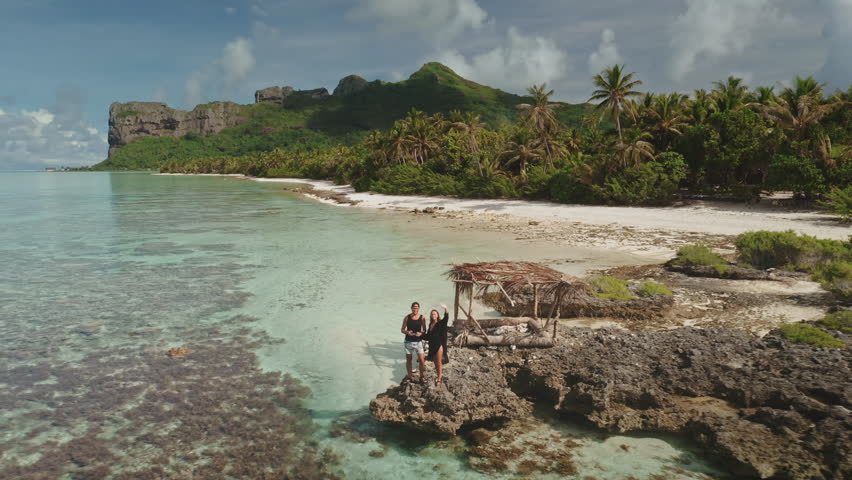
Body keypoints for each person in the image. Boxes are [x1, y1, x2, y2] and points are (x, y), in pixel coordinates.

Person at [401, 301, 427, 384]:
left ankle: (422, 376)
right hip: (408, 342)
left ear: (419, 308)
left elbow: (424, 330)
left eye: (417, 307)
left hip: (418, 342)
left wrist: (421, 333)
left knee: (422, 360)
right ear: (411, 308)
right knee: (409, 360)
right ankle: (409, 377)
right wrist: (407, 332)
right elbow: (402, 329)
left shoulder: (422, 317)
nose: (415, 309)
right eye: (414, 307)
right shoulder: (407, 317)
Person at [425, 304, 450, 386]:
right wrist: (420, 335)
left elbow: (446, 318)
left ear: (437, 315)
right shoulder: (430, 325)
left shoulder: (440, 323)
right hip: (432, 346)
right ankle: (438, 375)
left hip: (439, 345)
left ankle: (439, 378)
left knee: (439, 362)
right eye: (432, 314)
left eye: (435, 314)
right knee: (435, 362)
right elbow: (428, 336)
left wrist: (446, 308)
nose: (433, 315)